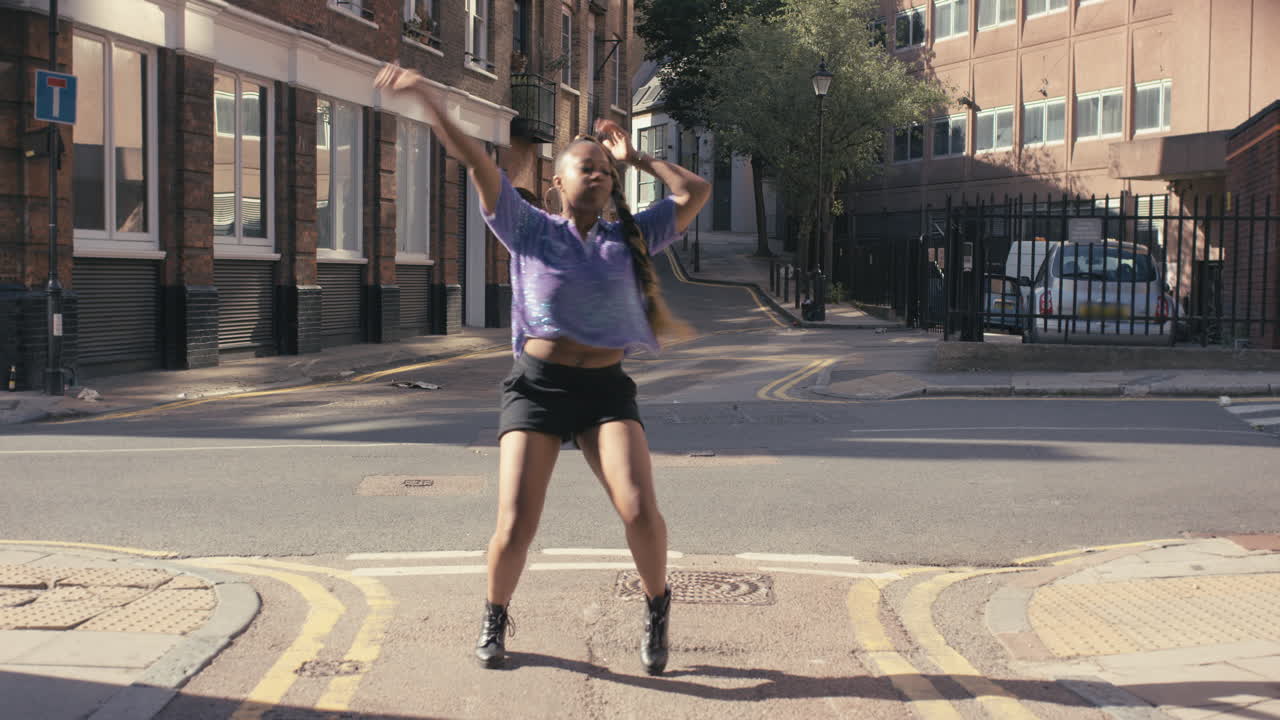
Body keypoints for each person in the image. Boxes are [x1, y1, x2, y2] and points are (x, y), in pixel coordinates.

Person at [374, 63, 712, 675]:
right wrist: (428, 98)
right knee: (515, 524)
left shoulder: (630, 237)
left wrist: (635, 158)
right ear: (556, 182)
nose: (602, 176)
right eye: (591, 167)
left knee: (638, 507)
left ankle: (657, 605)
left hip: (606, 390)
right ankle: (495, 613)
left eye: (607, 172)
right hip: (538, 388)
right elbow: (478, 163)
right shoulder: (528, 227)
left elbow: (694, 192)